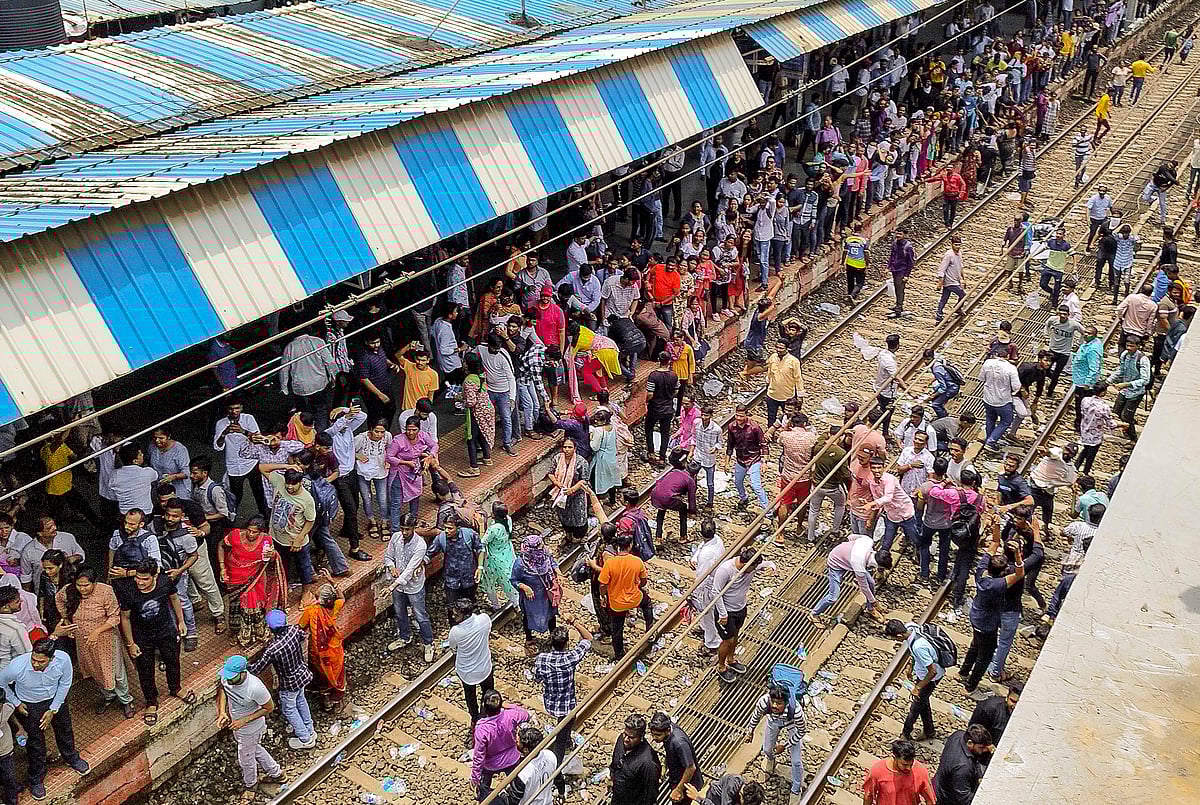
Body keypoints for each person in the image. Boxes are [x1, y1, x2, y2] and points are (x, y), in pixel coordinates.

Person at [0, 637, 89, 799]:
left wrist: (53, 709)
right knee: (35, 742)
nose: (36, 664)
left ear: (52, 658)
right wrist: (16, 702)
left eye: (41, 662)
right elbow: (1, 682)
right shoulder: (17, 666)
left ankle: (71, 758)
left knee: (65, 730)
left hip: (56, 700)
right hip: (29, 705)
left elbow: (65, 683)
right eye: (34, 659)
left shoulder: (63, 660)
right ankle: (36, 778)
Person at [116, 559, 194, 726]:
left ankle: (176, 688)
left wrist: (181, 621)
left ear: (155, 576)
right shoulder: (128, 591)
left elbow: (174, 599)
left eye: (145, 579)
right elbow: (125, 618)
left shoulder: (165, 582)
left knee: (173, 660)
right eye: (138, 578)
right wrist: (131, 644)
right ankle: (151, 701)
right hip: (142, 637)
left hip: (166, 630)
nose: (140, 582)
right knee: (145, 670)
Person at [56, 568, 133, 719]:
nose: (83, 589)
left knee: (116, 671)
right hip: (83, 640)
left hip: (106, 638)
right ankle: (108, 695)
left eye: (86, 585)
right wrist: (66, 619)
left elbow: (114, 617)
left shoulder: (105, 591)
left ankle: (126, 700)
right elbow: (58, 599)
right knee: (94, 669)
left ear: (94, 582)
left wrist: (97, 632)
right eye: (79, 585)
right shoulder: (69, 591)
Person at [532, 615, 592, 797]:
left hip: (550, 703)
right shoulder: (571, 658)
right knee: (560, 740)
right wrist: (574, 622)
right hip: (567, 706)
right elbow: (588, 638)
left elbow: (537, 678)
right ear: (566, 643)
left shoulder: (542, 659)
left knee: (562, 732)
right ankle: (557, 774)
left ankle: (565, 742)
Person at [249, 609, 316, 750]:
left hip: (289, 683)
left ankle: (305, 738)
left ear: (270, 628)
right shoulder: (294, 630)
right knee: (301, 700)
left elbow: (256, 669)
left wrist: (244, 664)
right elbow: (303, 636)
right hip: (302, 674)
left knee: (289, 709)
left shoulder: (272, 649)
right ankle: (309, 729)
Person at [216, 655, 284, 794]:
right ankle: (277, 773)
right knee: (254, 749)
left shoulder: (255, 688)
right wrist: (222, 712)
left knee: (246, 760)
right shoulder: (227, 677)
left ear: (243, 673)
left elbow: (269, 707)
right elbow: (222, 690)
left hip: (250, 729)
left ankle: (251, 785)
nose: (228, 679)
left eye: (232, 677)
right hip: (237, 726)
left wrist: (244, 720)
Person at [219, 517, 286, 648]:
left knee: (256, 607)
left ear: (261, 532)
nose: (250, 534)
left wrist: (273, 555)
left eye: (254, 532)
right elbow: (221, 545)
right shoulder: (235, 535)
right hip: (235, 577)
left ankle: (259, 633)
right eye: (249, 530)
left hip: (256, 578)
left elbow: (270, 561)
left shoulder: (267, 540)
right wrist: (222, 568)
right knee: (236, 607)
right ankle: (237, 633)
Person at [744, 681, 806, 805]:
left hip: (791, 723)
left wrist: (785, 745)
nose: (774, 705)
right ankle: (771, 759)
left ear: (787, 702)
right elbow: (756, 715)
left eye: (779, 703)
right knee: (767, 749)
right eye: (773, 701)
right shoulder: (763, 702)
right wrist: (750, 731)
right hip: (773, 722)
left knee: (796, 761)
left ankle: (796, 789)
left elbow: (801, 731)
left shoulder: (797, 711)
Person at [810, 533, 891, 626]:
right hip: (836, 564)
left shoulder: (868, 540)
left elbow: (851, 537)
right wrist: (875, 602)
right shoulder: (859, 564)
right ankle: (814, 614)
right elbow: (864, 587)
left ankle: (870, 608)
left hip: (849, 561)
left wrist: (847, 549)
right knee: (833, 597)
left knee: (871, 583)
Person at [884, 619, 945, 741]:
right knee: (923, 702)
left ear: (900, 635)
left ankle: (905, 734)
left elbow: (932, 672)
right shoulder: (911, 627)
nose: (897, 641)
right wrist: (911, 667)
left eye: (896, 638)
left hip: (929, 679)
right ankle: (929, 731)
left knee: (915, 707)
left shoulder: (919, 647)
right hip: (922, 673)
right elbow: (914, 654)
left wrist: (918, 687)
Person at [384, 514, 433, 661]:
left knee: (420, 615)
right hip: (399, 586)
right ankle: (405, 637)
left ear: (414, 528)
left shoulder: (420, 545)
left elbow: (410, 571)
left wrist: (392, 586)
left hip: (413, 586)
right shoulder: (395, 538)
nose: (404, 532)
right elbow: (388, 556)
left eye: (408, 529)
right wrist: (391, 567)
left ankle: (428, 643)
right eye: (403, 529)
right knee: (399, 613)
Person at [713, 546, 764, 683]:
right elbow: (716, 592)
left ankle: (731, 659)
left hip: (740, 608)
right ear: (746, 564)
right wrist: (722, 614)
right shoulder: (726, 570)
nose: (755, 569)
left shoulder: (752, 566)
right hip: (726, 612)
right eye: (754, 567)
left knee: (736, 635)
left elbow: (765, 564)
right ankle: (721, 666)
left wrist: (772, 566)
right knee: (728, 640)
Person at [597, 529, 648, 662]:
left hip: (616, 604)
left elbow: (602, 584)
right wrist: (638, 587)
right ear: (630, 546)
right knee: (647, 603)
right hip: (634, 599)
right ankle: (650, 628)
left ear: (618, 546)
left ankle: (619, 654)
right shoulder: (637, 561)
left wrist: (603, 597)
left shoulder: (610, 563)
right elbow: (644, 581)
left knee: (617, 629)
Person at [472, 689, 531, 801]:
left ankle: (483, 797)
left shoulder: (482, 729)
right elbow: (526, 715)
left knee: (484, 784)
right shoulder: (510, 715)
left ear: (484, 708)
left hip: (491, 764)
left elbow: (478, 756)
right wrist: (510, 706)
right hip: (512, 758)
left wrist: (475, 778)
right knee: (516, 781)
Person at [265, 468, 316, 597]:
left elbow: (310, 521)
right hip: (277, 538)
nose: (289, 486)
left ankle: (306, 593)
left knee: (304, 568)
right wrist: (286, 465)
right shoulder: (279, 481)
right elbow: (262, 467)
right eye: (288, 483)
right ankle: (283, 588)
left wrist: (299, 538)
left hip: (296, 541)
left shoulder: (307, 499)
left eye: (293, 484)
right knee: (281, 565)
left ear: (300, 482)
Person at [298, 579, 346, 713]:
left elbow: (300, 627)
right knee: (337, 675)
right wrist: (332, 581)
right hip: (335, 652)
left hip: (318, 654)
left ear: (320, 601)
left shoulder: (311, 611)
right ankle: (337, 701)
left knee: (321, 676)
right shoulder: (336, 606)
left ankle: (326, 700)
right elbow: (342, 597)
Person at [447, 599, 493, 729]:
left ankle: (475, 718)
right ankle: (486, 716)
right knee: (488, 692)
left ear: (465, 615)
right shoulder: (484, 619)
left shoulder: (455, 632)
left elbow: (453, 649)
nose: (453, 616)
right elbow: (488, 631)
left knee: (470, 696)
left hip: (466, 672)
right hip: (485, 667)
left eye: (456, 614)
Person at [386, 416, 438, 527]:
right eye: (408, 429)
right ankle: (395, 529)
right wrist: (405, 462)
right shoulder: (398, 440)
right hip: (400, 474)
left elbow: (434, 445)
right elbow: (389, 457)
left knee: (415, 497)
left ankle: (412, 523)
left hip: (415, 472)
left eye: (414, 430)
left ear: (419, 429)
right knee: (396, 502)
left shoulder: (423, 436)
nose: (410, 432)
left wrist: (430, 456)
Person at [512, 535, 561, 653]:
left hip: (546, 594)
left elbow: (552, 562)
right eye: (539, 547)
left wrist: (558, 574)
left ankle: (553, 637)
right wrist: (524, 587)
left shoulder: (545, 554)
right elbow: (514, 580)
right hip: (531, 598)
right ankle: (529, 638)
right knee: (528, 617)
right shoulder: (520, 564)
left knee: (551, 615)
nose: (542, 549)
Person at [689, 519, 725, 656]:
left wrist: (694, 592)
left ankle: (712, 642)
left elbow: (701, 576)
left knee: (707, 612)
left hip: (709, 585)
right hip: (716, 578)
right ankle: (705, 629)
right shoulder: (717, 540)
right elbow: (701, 547)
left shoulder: (706, 556)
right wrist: (694, 558)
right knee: (707, 612)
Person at [649, 712, 704, 804]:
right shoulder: (669, 731)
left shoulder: (679, 743)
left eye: (658, 735)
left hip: (687, 784)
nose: (654, 738)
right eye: (653, 734)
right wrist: (665, 766)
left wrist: (678, 790)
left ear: (667, 731)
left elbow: (691, 768)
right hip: (676, 776)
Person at [932, 725, 994, 805]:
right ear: (970, 743)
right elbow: (964, 798)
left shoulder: (958, 734)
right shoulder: (963, 767)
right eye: (981, 748)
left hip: (941, 781)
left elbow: (975, 760)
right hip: (946, 797)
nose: (985, 750)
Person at [499, 726, 560, 805]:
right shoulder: (550, 755)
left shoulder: (523, 772)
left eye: (518, 742)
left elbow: (512, 801)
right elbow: (559, 778)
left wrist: (502, 793)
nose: (516, 742)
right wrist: (561, 793)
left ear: (525, 749)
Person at [725, 405, 769, 514]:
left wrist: (764, 462)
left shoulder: (754, 427)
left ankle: (768, 510)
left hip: (754, 459)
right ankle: (744, 498)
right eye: (737, 415)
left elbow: (763, 445)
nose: (738, 418)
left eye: (741, 416)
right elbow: (730, 445)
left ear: (746, 415)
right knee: (737, 482)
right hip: (740, 460)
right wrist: (727, 462)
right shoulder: (732, 427)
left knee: (756, 485)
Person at [863, 739, 935, 805]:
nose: (909, 768)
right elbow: (868, 796)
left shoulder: (921, 772)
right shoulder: (877, 771)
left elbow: (930, 800)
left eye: (911, 764)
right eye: (904, 764)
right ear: (894, 758)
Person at [610, 714, 661, 805]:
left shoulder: (648, 763)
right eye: (625, 734)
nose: (626, 739)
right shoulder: (621, 741)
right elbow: (614, 764)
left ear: (641, 737)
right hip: (617, 798)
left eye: (631, 737)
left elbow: (651, 795)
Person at [979, 345, 1021, 452]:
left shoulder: (987, 363)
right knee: (1006, 420)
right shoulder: (1011, 368)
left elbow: (981, 378)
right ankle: (991, 441)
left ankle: (989, 438)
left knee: (990, 419)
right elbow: (1016, 386)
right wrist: (1012, 392)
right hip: (1003, 400)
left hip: (988, 398)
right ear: (1007, 356)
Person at [1108, 335, 1150, 440]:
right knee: (1116, 411)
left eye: (1132, 346)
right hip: (1124, 390)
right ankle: (1128, 424)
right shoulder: (1125, 355)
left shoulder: (1143, 360)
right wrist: (1108, 381)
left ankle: (1132, 437)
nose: (1129, 348)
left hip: (1136, 392)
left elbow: (1145, 380)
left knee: (1126, 416)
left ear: (1138, 346)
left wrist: (1127, 384)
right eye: (1127, 345)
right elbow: (1121, 370)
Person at [651, 449, 697, 543]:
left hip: (655, 493)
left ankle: (658, 537)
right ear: (694, 474)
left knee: (661, 510)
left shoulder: (675, 471)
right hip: (667, 498)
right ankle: (683, 536)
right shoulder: (691, 481)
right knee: (683, 508)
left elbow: (662, 482)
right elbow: (691, 499)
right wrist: (692, 511)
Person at [548, 437, 589, 542]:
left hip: (577, 495)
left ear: (575, 448)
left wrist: (572, 490)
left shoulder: (581, 462)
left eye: (569, 447)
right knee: (564, 515)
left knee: (579, 516)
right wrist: (556, 483)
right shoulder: (557, 458)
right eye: (565, 447)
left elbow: (584, 480)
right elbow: (550, 473)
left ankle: (578, 537)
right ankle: (568, 534)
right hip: (561, 494)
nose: (566, 449)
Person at [1044, 305, 1083, 396]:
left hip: (1064, 353)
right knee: (1046, 369)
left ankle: (1050, 391)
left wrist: (1078, 344)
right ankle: (1048, 381)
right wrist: (1046, 335)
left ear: (1068, 314)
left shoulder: (1073, 324)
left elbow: (1083, 332)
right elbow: (1047, 324)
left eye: (1064, 314)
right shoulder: (1053, 320)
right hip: (1053, 350)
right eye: (1060, 314)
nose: (1062, 316)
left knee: (1057, 373)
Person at [765, 342, 804, 428]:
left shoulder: (794, 361)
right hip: (772, 394)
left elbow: (798, 378)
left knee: (789, 416)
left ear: (787, 349)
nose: (778, 350)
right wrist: (767, 383)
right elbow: (770, 372)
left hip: (787, 396)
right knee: (771, 417)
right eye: (777, 347)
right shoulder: (773, 357)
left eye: (781, 348)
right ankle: (770, 435)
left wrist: (800, 395)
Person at [936, 235, 967, 322]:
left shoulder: (959, 254)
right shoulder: (949, 255)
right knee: (963, 295)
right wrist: (940, 282)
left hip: (955, 280)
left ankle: (939, 316)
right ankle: (958, 308)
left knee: (944, 298)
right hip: (950, 281)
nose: (958, 247)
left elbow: (961, 266)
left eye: (959, 245)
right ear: (952, 244)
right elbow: (942, 269)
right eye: (956, 245)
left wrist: (964, 278)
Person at [887, 229, 916, 318]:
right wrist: (888, 267)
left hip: (902, 271)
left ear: (904, 235)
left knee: (900, 290)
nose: (898, 235)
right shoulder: (895, 243)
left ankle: (899, 309)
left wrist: (907, 275)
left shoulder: (908, 247)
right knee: (897, 288)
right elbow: (892, 256)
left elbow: (910, 262)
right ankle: (898, 305)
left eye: (900, 234)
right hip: (895, 270)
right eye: (897, 233)